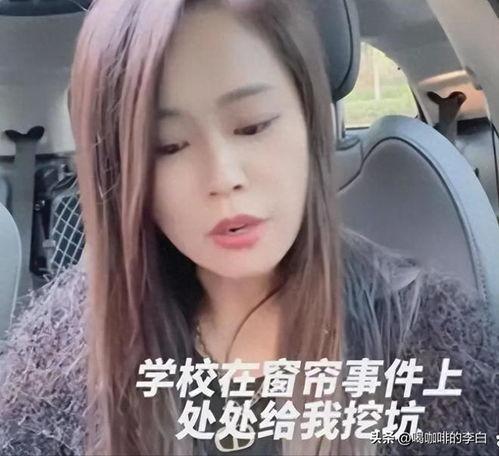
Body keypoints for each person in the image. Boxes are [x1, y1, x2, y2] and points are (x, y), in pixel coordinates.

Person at [0, 0, 498, 455]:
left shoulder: (427, 336)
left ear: (308, 120)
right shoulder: (64, 351)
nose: (223, 178)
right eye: (168, 146)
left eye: (253, 126)